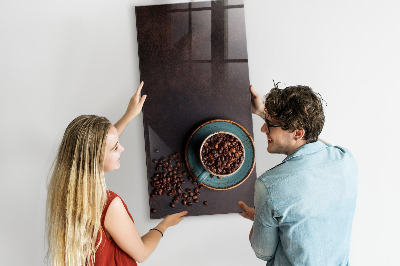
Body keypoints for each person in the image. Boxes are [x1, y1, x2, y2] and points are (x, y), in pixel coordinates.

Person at [46, 82, 187, 266]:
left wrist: (129, 116)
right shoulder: (109, 205)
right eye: (115, 148)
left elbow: (98, 147)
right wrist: (164, 225)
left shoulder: (66, 190)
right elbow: (142, 253)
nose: (122, 148)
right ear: (94, 158)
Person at [238, 84, 358, 265]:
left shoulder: (269, 186)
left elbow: (263, 251)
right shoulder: (345, 159)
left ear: (298, 132)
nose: (263, 129)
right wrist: (263, 111)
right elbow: (314, 141)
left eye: (270, 124)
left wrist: (261, 220)